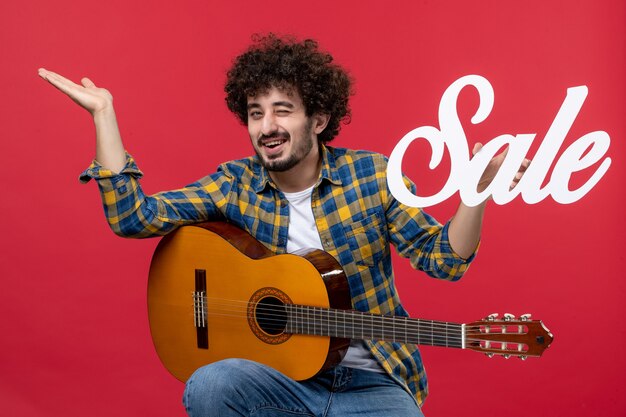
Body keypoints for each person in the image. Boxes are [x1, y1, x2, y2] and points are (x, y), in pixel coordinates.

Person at [38, 34, 528, 417]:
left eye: (282, 110)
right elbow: (133, 217)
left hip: (374, 382)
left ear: (318, 119)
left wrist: (476, 191)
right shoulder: (235, 185)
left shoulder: (375, 176)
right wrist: (104, 114)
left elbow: (444, 262)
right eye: (256, 113)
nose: (266, 126)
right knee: (211, 384)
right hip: (279, 378)